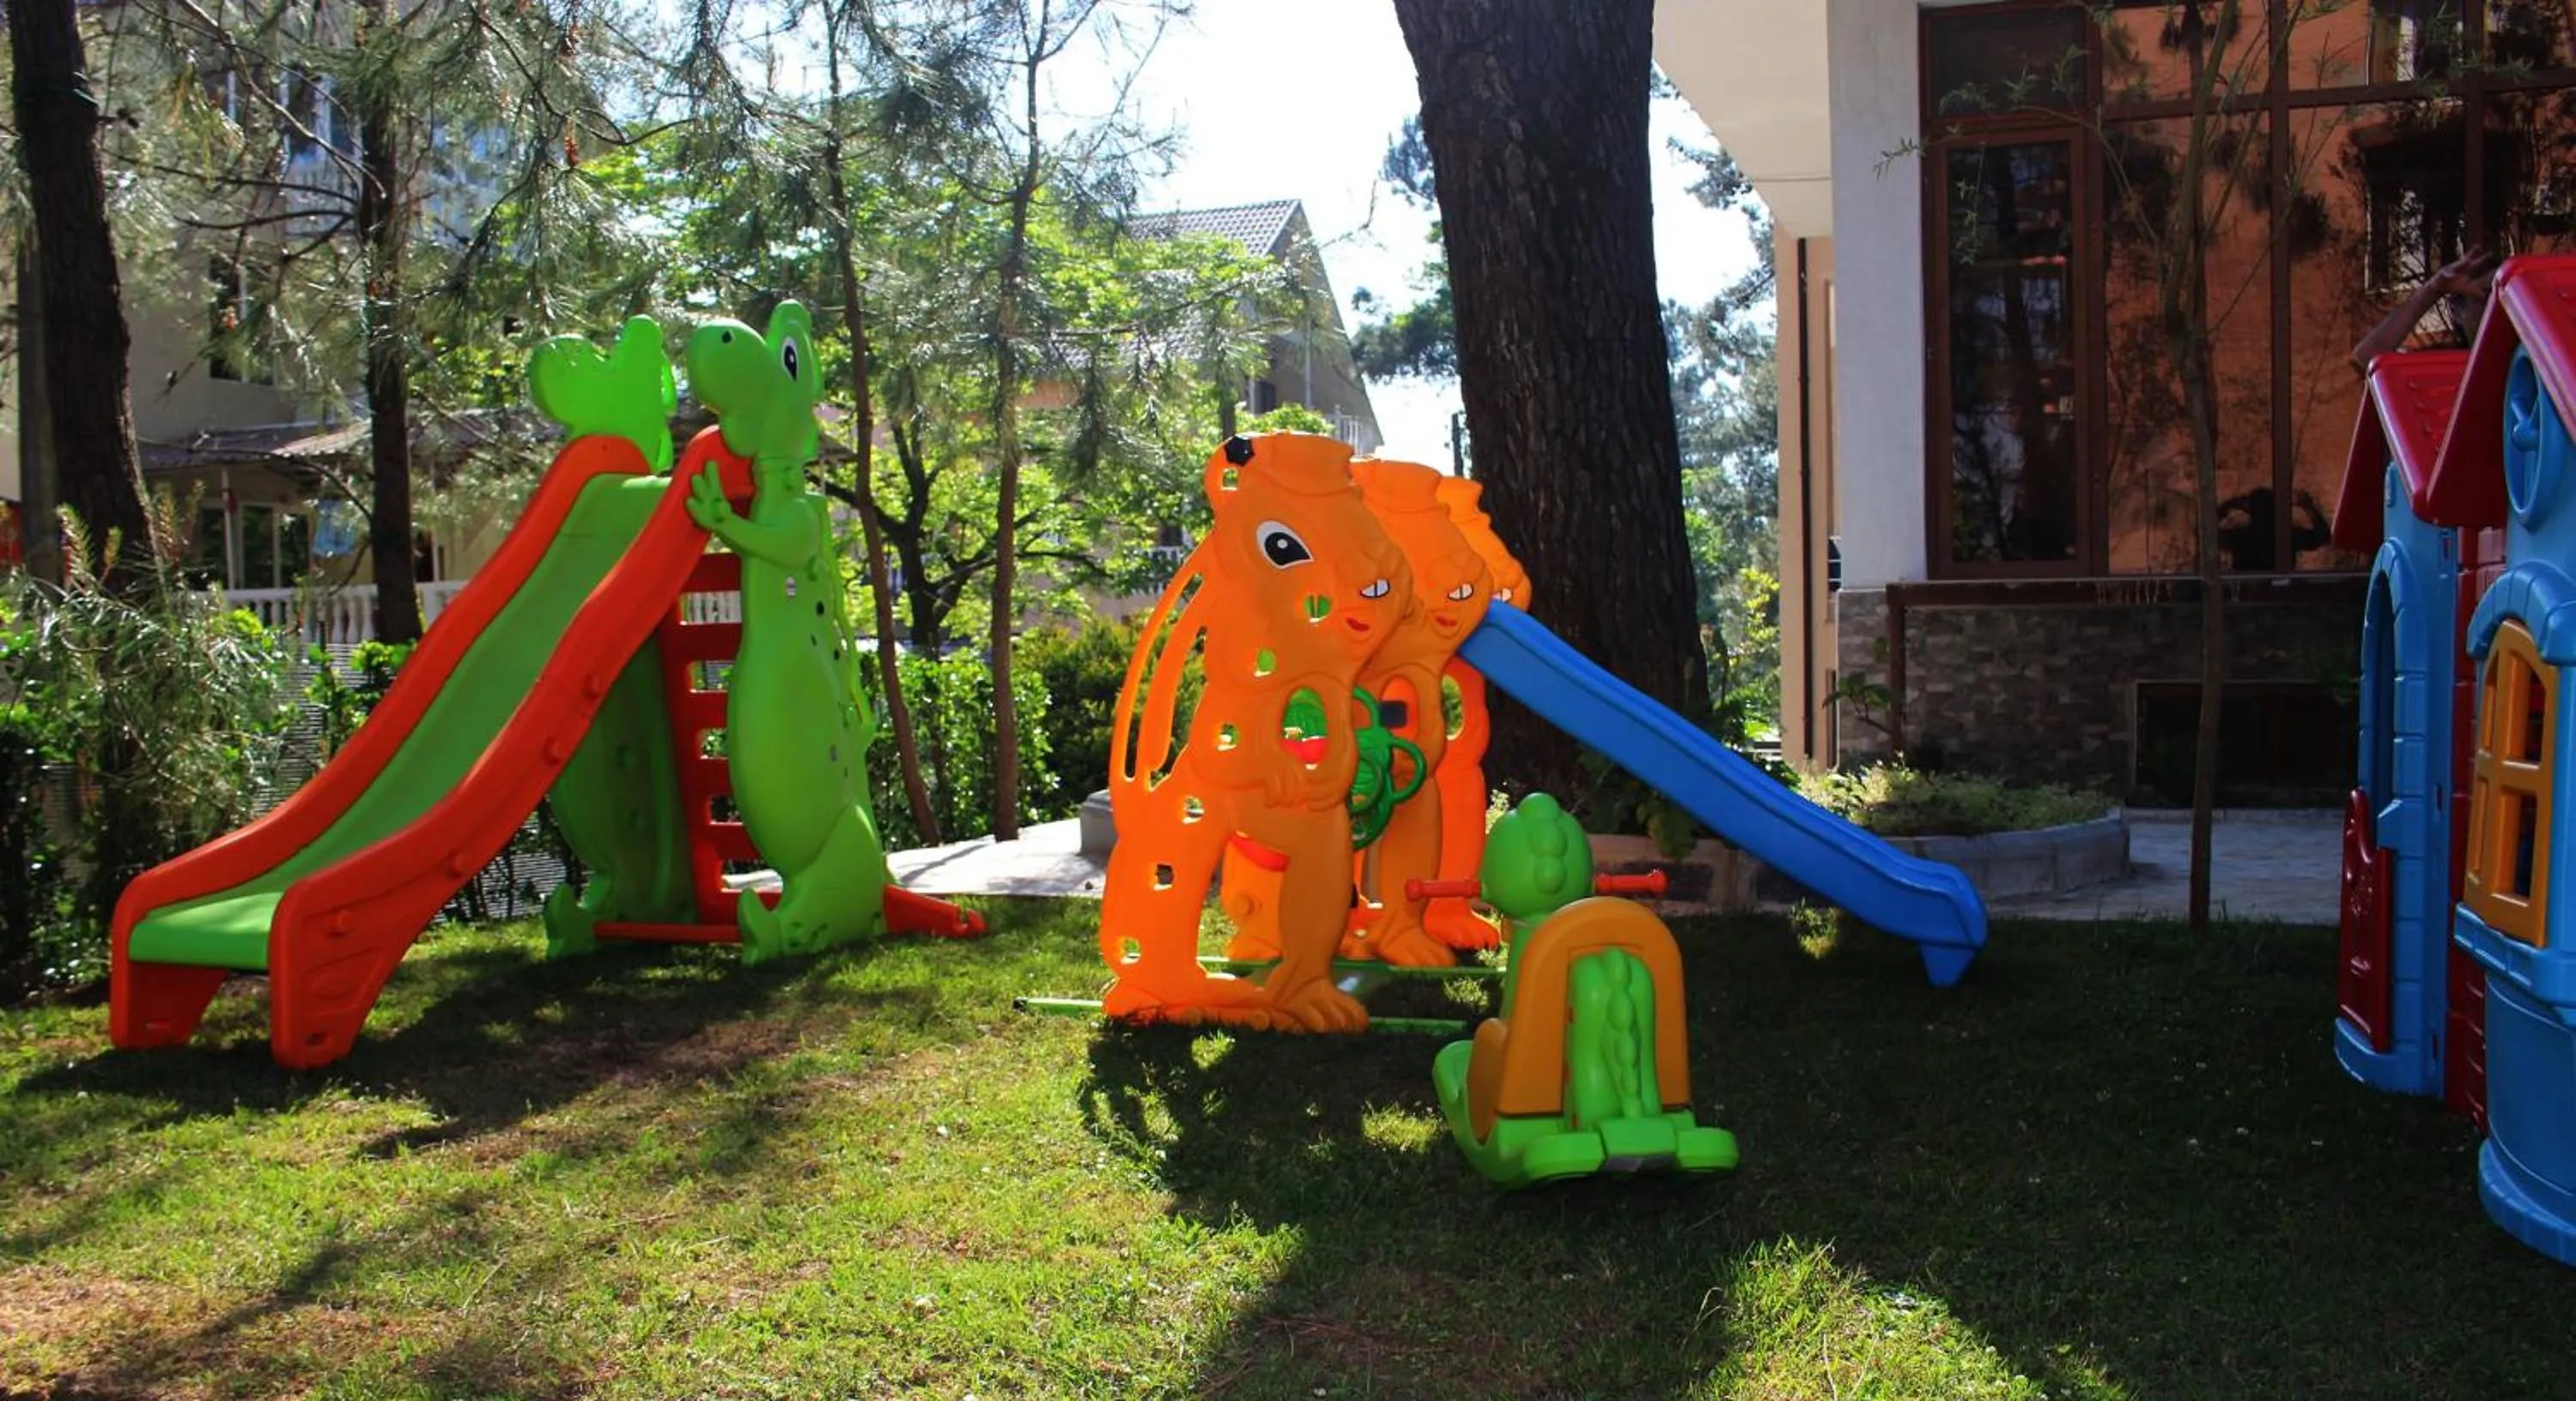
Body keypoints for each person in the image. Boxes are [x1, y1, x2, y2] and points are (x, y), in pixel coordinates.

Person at [2351, 246, 2500, 372]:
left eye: (2504, 295)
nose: (2496, 305)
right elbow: (2367, 357)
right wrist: (2432, 290)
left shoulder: (2521, 354)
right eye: (2486, 294)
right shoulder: (2447, 366)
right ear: (2458, 312)